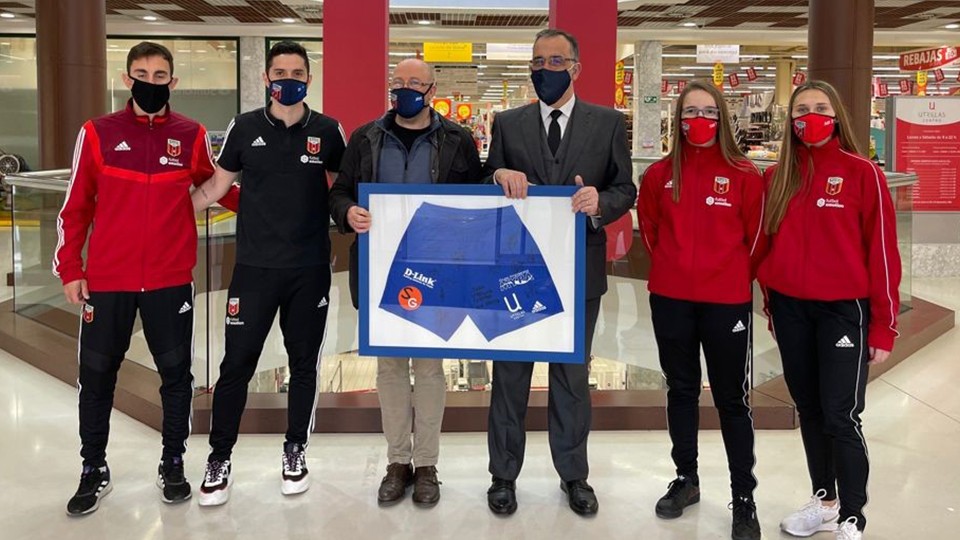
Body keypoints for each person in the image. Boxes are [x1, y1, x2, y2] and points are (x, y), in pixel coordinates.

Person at [55, 41, 233, 515]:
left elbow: (215, 184)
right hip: (107, 281)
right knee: (96, 379)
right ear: (125, 78)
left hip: (170, 280)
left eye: (160, 76)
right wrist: (71, 267)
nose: (150, 83)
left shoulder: (191, 134)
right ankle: (93, 468)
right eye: (141, 74)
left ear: (173, 83)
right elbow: (76, 208)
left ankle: (172, 463)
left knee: (176, 377)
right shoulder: (96, 133)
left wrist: (277, 204)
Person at [482, 28, 636, 516]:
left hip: (578, 271)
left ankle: (574, 476)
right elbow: (488, 178)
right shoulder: (507, 122)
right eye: (537, 61)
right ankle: (503, 476)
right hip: (515, 273)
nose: (544, 70)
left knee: (571, 379)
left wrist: (600, 203)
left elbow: (624, 187)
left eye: (555, 61)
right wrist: (497, 176)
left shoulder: (608, 122)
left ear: (576, 67)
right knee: (510, 376)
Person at [190, 40, 346, 506]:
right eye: (280, 72)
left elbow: (341, 191)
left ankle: (295, 450)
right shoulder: (244, 127)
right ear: (266, 79)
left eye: (297, 72)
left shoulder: (329, 130)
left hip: (310, 270)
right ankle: (220, 458)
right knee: (235, 365)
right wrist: (165, 212)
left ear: (309, 80)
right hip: (254, 270)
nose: (288, 80)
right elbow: (217, 186)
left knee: (303, 366)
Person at [329, 59, 482, 508]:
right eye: (399, 83)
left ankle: (428, 464)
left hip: (436, 271)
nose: (406, 90)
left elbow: (474, 197)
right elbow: (340, 191)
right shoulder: (365, 137)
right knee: (391, 369)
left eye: (416, 83)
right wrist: (346, 212)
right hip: (380, 269)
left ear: (432, 89)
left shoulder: (457, 139)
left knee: (431, 369)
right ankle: (398, 462)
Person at [759, 80, 901, 540]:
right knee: (810, 409)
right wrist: (771, 306)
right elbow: (767, 248)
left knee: (841, 414)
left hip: (843, 310)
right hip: (791, 309)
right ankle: (825, 500)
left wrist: (884, 324)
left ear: (837, 115)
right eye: (801, 109)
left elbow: (882, 252)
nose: (810, 117)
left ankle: (853, 515)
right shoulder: (777, 176)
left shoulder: (863, 173)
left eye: (820, 108)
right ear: (790, 120)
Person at [636, 80, 765, 540]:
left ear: (722, 117)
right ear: (678, 119)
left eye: (708, 111)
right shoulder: (657, 176)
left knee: (732, 399)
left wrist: (728, 276)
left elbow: (755, 239)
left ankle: (743, 497)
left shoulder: (746, 175)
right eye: (690, 112)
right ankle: (686, 479)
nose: (699, 120)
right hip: (671, 298)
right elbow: (650, 232)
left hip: (726, 301)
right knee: (681, 389)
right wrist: (675, 271)